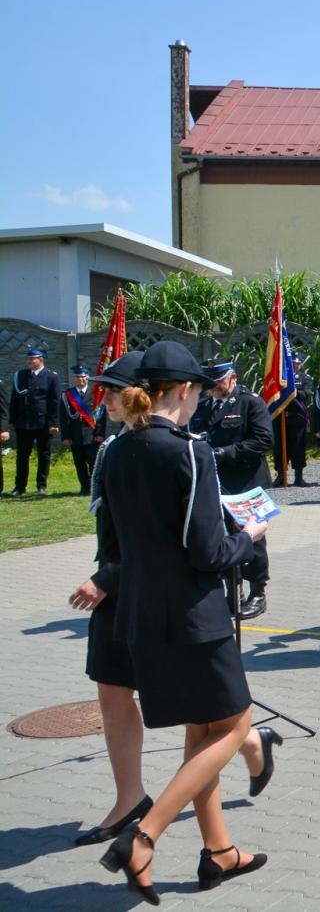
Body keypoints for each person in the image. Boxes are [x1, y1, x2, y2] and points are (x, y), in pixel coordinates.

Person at [67, 351, 282, 850]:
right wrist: (248, 537)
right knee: (224, 725)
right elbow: (200, 550)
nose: (106, 399)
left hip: (146, 604)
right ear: (184, 391)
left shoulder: (126, 451)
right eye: (201, 393)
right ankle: (148, 832)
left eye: (112, 390)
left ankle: (217, 849)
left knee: (206, 726)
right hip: (183, 608)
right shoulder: (182, 450)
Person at [192, 359, 273, 620]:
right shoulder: (203, 405)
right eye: (211, 385)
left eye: (219, 382)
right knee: (222, 536)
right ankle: (232, 591)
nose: (214, 389)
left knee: (253, 538)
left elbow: (263, 440)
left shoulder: (250, 402)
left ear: (233, 377)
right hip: (217, 483)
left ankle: (257, 592)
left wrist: (226, 453)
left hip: (247, 482)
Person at [10, 345, 61, 495]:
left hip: (43, 422)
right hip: (24, 422)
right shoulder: (21, 375)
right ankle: (19, 486)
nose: (29, 361)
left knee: (44, 454)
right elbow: (15, 399)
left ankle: (41, 485)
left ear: (41, 360)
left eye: (33, 359)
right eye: (29, 359)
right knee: (22, 456)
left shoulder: (52, 376)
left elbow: (54, 401)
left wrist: (53, 423)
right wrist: (12, 420)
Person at [270, 353, 310, 487]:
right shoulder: (281, 379)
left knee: (298, 448)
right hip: (281, 418)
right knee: (280, 448)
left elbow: (305, 395)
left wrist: (292, 390)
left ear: (301, 365)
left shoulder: (305, 378)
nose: (295, 365)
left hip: (296, 418)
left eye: (297, 363)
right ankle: (281, 475)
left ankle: (299, 477)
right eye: (293, 363)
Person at [61, 364, 98, 495]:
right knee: (79, 463)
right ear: (74, 379)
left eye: (83, 377)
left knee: (93, 462)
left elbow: (101, 416)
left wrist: (99, 433)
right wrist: (65, 436)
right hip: (75, 435)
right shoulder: (67, 395)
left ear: (88, 378)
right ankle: (84, 487)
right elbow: (63, 418)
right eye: (78, 377)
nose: (81, 379)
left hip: (91, 434)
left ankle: (94, 487)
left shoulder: (94, 394)